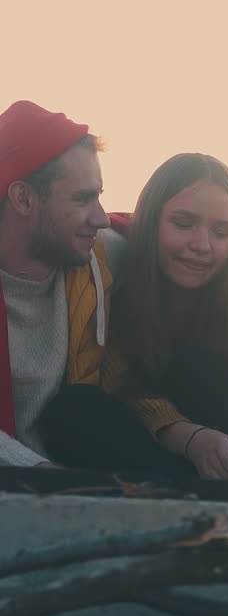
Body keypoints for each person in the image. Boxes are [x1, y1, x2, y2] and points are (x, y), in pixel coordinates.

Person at [64, 153, 228, 480]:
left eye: (222, 231)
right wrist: (189, 437)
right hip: (157, 462)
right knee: (74, 407)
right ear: (151, 222)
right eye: (183, 224)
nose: (202, 245)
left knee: (197, 365)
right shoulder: (115, 287)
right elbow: (119, 385)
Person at [0, 99, 112, 467]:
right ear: (23, 198)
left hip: (75, 482)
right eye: (84, 198)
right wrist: (41, 473)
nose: (101, 218)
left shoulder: (96, 260)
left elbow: (193, 255)